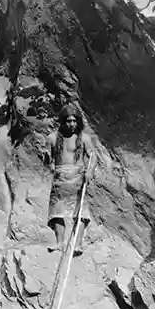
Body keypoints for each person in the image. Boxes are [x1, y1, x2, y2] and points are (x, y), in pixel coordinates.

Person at [47, 103, 96, 255]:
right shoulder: (52, 138)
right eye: (69, 121)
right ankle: (59, 242)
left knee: (80, 211)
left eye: (74, 121)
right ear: (63, 121)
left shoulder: (84, 138)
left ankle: (78, 244)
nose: (72, 124)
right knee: (56, 212)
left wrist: (89, 171)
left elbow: (93, 157)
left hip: (78, 177)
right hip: (60, 179)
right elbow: (48, 162)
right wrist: (48, 162)